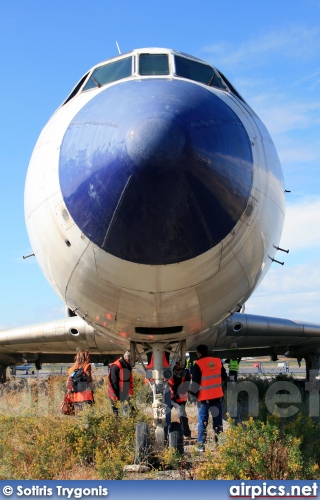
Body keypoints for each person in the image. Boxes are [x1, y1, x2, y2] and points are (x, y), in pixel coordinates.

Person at [189, 344, 227, 452]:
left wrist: (193, 397)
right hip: (217, 397)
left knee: (202, 423)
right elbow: (224, 376)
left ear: (199, 353)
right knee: (218, 423)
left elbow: (195, 383)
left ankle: (201, 446)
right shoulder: (218, 361)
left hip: (204, 399)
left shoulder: (198, 364)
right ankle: (220, 445)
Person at [167, 361, 192, 438]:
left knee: (182, 416)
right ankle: (166, 433)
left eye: (179, 364)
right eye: (176, 363)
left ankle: (186, 433)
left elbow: (184, 387)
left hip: (180, 400)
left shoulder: (186, 374)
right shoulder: (169, 371)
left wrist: (176, 393)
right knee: (164, 416)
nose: (177, 365)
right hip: (169, 398)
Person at [66, 350, 94, 415]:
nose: (89, 358)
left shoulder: (72, 369)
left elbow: (68, 384)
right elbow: (89, 381)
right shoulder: (87, 366)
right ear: (85, 358)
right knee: (88, 418)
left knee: (79, 418)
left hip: (75, 398)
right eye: (88, 357)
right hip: (86, 397)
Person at [107, 350, 134, 415]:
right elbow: (114, 384)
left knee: (131, 412)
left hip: (123, 394)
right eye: (133, 361)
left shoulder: (126, 366)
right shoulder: (116, 367)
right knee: (117, 414)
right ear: (128, 360)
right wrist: (120, 398)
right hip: (115, 395)